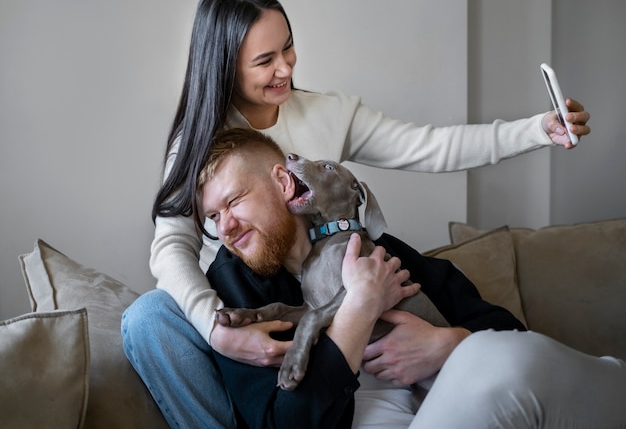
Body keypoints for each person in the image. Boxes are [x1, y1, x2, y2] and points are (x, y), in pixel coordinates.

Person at [122, 0, 593, 427]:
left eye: (287, 47)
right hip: (244, 301)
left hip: (333, 283)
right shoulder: (201, 145)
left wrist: (534, 131)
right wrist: (216, 328)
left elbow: (429, 146)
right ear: (226, 67)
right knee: (147, 319)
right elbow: (170, 249)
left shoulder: (327, 118)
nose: (286, 68)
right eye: (265, 60)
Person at [127, 127, 625, 428]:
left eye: (233, 202)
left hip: (474, 398)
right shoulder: (237, 291)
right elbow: (287, 425)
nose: (226, 228)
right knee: (502, 368)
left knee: (502, 359)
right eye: (212, 218)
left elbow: (508, 332)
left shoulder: (372, 248)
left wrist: (446, 343)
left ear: (282, 182)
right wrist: (359, 309)